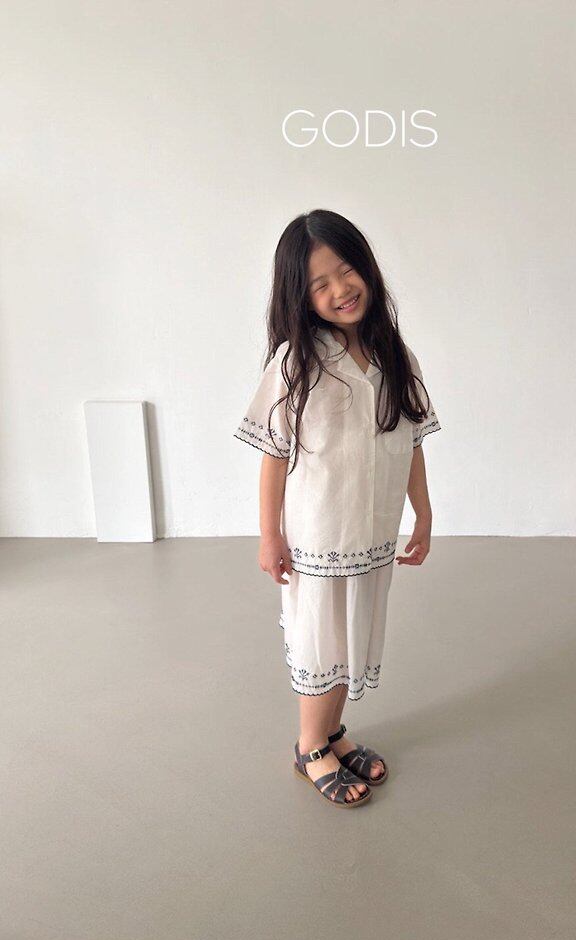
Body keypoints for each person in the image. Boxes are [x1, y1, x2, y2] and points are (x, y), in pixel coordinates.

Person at [234, 209, 441, 807]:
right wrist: (269, 535)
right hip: (319, 537)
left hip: (372, 533)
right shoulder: (296, 364)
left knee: (350, 640)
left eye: (346, 271)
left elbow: (411, 443)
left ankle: (331, 733)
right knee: (322, 641)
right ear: (299, 296)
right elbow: (273, 456)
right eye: (319, 284)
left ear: (367, 269)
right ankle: (309, 747)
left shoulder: (394, 355)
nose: (339, 290)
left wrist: (423, 514)